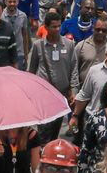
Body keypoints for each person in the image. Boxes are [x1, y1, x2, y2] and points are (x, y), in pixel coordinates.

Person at [27, 11, 79, 144]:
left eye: (59, 26)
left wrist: (73, 91)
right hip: (43, 97)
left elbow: (73, 69)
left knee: (55, 132)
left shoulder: (68, 45)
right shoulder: (38, 46)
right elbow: (32, 70)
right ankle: (42, 156)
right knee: (43, 131)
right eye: (53, 27)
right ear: (46, 27)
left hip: (61, 96)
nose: (57, 29)